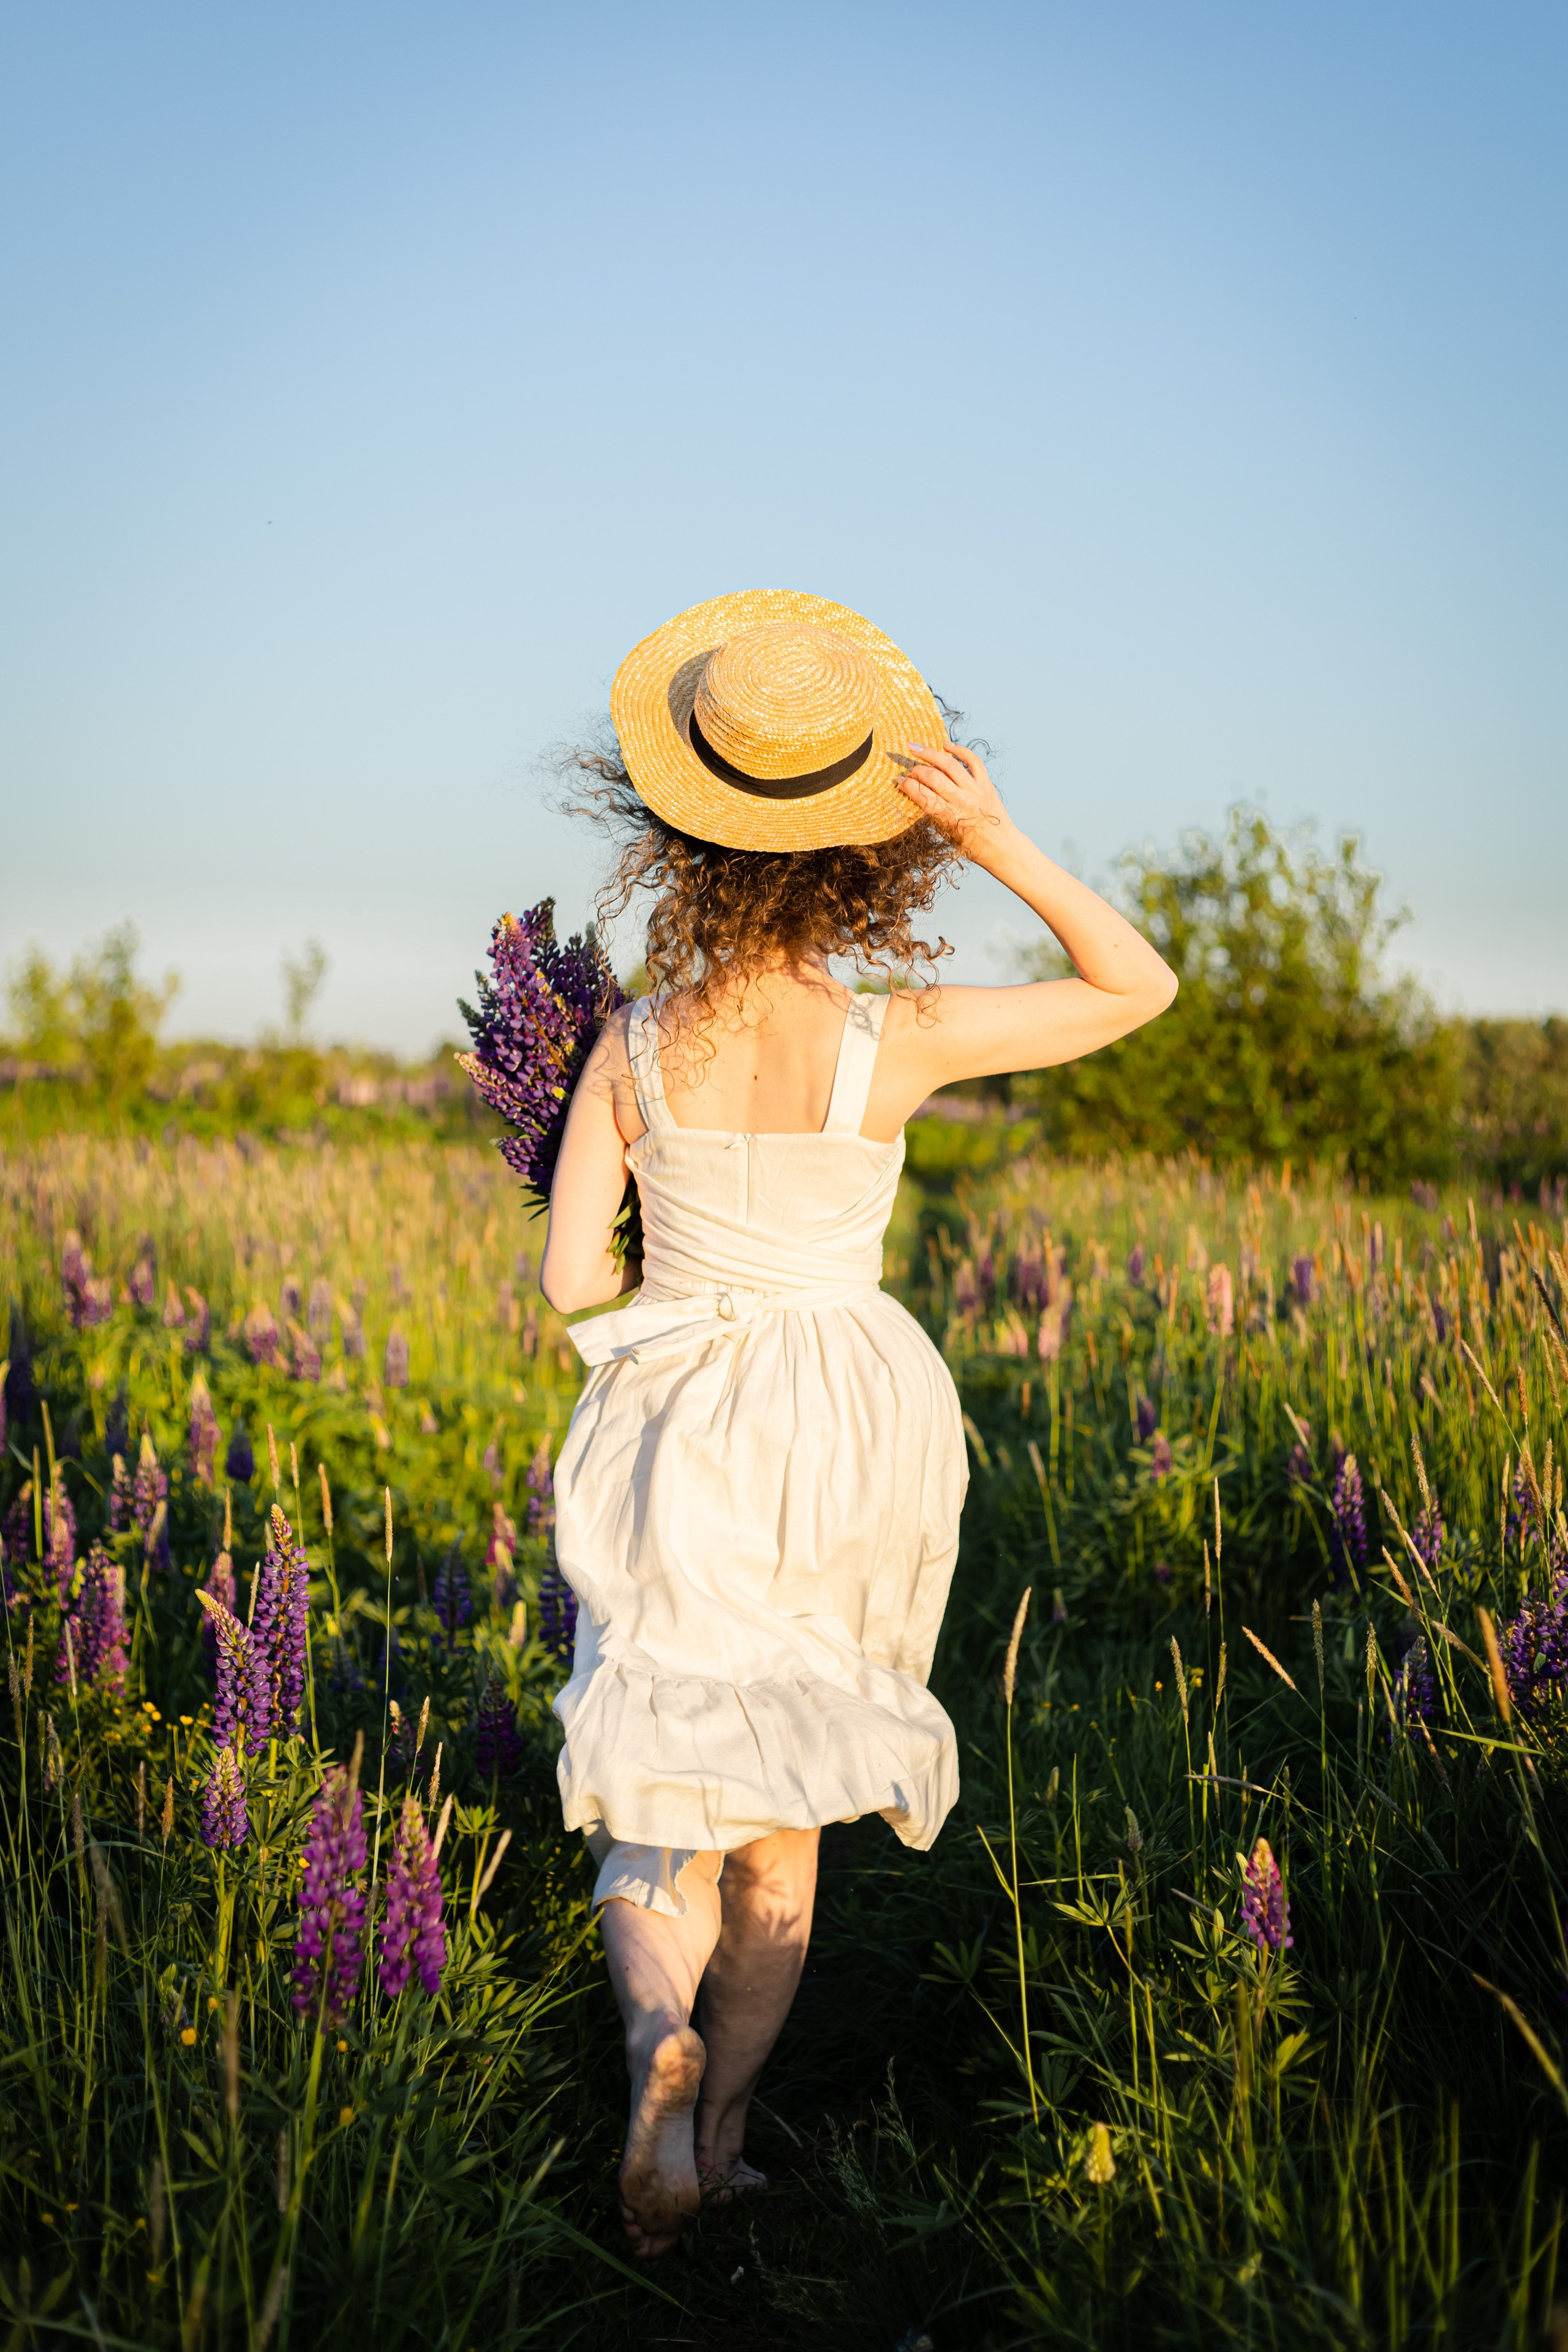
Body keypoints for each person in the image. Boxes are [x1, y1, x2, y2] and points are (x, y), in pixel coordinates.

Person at [540, 590, 1177, 2256]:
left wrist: (638, 1282)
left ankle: (648, 2067)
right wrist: (1002, 836)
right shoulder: (897, 1039)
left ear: (674, 836)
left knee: (654, 1769)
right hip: (848, 1419)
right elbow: (1137, 986)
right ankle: (727, 2139)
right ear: (857, 855)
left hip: (681, 1414)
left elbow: (560, 1286)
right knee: (784, 1819)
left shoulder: (630, 1044)